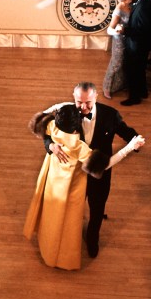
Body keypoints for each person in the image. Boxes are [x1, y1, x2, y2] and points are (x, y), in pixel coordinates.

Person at [24, 104, 144, 270]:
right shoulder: (78, 146)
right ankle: (64, 256)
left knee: (53, 216)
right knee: (69, 223)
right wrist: (130, 148)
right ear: (75, 128)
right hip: (72, 186)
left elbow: (42, 117)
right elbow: (105, 165)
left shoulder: (53, 127)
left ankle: (48, 246)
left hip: (53, 181)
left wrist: (52, 145)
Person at [42, 82, 139, 258]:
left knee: (97, 207)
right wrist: (51, 146)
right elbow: (47, 131)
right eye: (79, 102)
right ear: (73, 97)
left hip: (100, 173)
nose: (84, 107)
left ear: (96, 97)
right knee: (72, 206)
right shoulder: (67, 113)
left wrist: (135, 142)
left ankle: (92, 237)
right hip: (74, 173)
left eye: (88, 102)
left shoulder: (110, 115)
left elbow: (125, 132)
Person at [102, 0, 131, 99]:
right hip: (119, 41)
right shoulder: (119, 9)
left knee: (124, 64)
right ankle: (107, 88)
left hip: (127, 39)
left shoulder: (129, 4)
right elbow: (109, 30)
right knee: (115, 64)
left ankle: (119, 85)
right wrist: (117, 31)